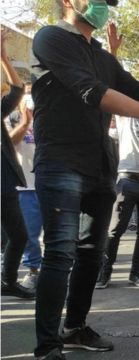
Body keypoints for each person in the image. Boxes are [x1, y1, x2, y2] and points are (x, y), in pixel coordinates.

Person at [30, 0, 139, 358]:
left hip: (101, 167)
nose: (104, 5)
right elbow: (93, 92)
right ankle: (47, 346)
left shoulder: (102, 55)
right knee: (59, 254)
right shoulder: (50, 38)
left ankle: (74, 327)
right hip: (61, 162)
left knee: (91, 253)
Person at [95, 22, 139, 289]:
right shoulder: (125, 115)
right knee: (115, 231)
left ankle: (135, 273)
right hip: (127, 179)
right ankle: (105, 272)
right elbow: (110, 87)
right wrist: (113, 52)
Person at [1, 26, 34, 299]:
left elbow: (17, 89)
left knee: (18, 235)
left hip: (4, 183)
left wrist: (3, 57)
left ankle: (8, 281)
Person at [5, 81, 43, 291]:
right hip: (25, 187)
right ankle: (33, 271)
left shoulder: (50, 118)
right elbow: (7, 144)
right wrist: (25, 122)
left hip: (48, 185)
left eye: (33, 93)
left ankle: (55, 274)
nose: (30, 97)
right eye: (27, 93)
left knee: (55, 234)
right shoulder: (11, 119)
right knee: (29, 234)